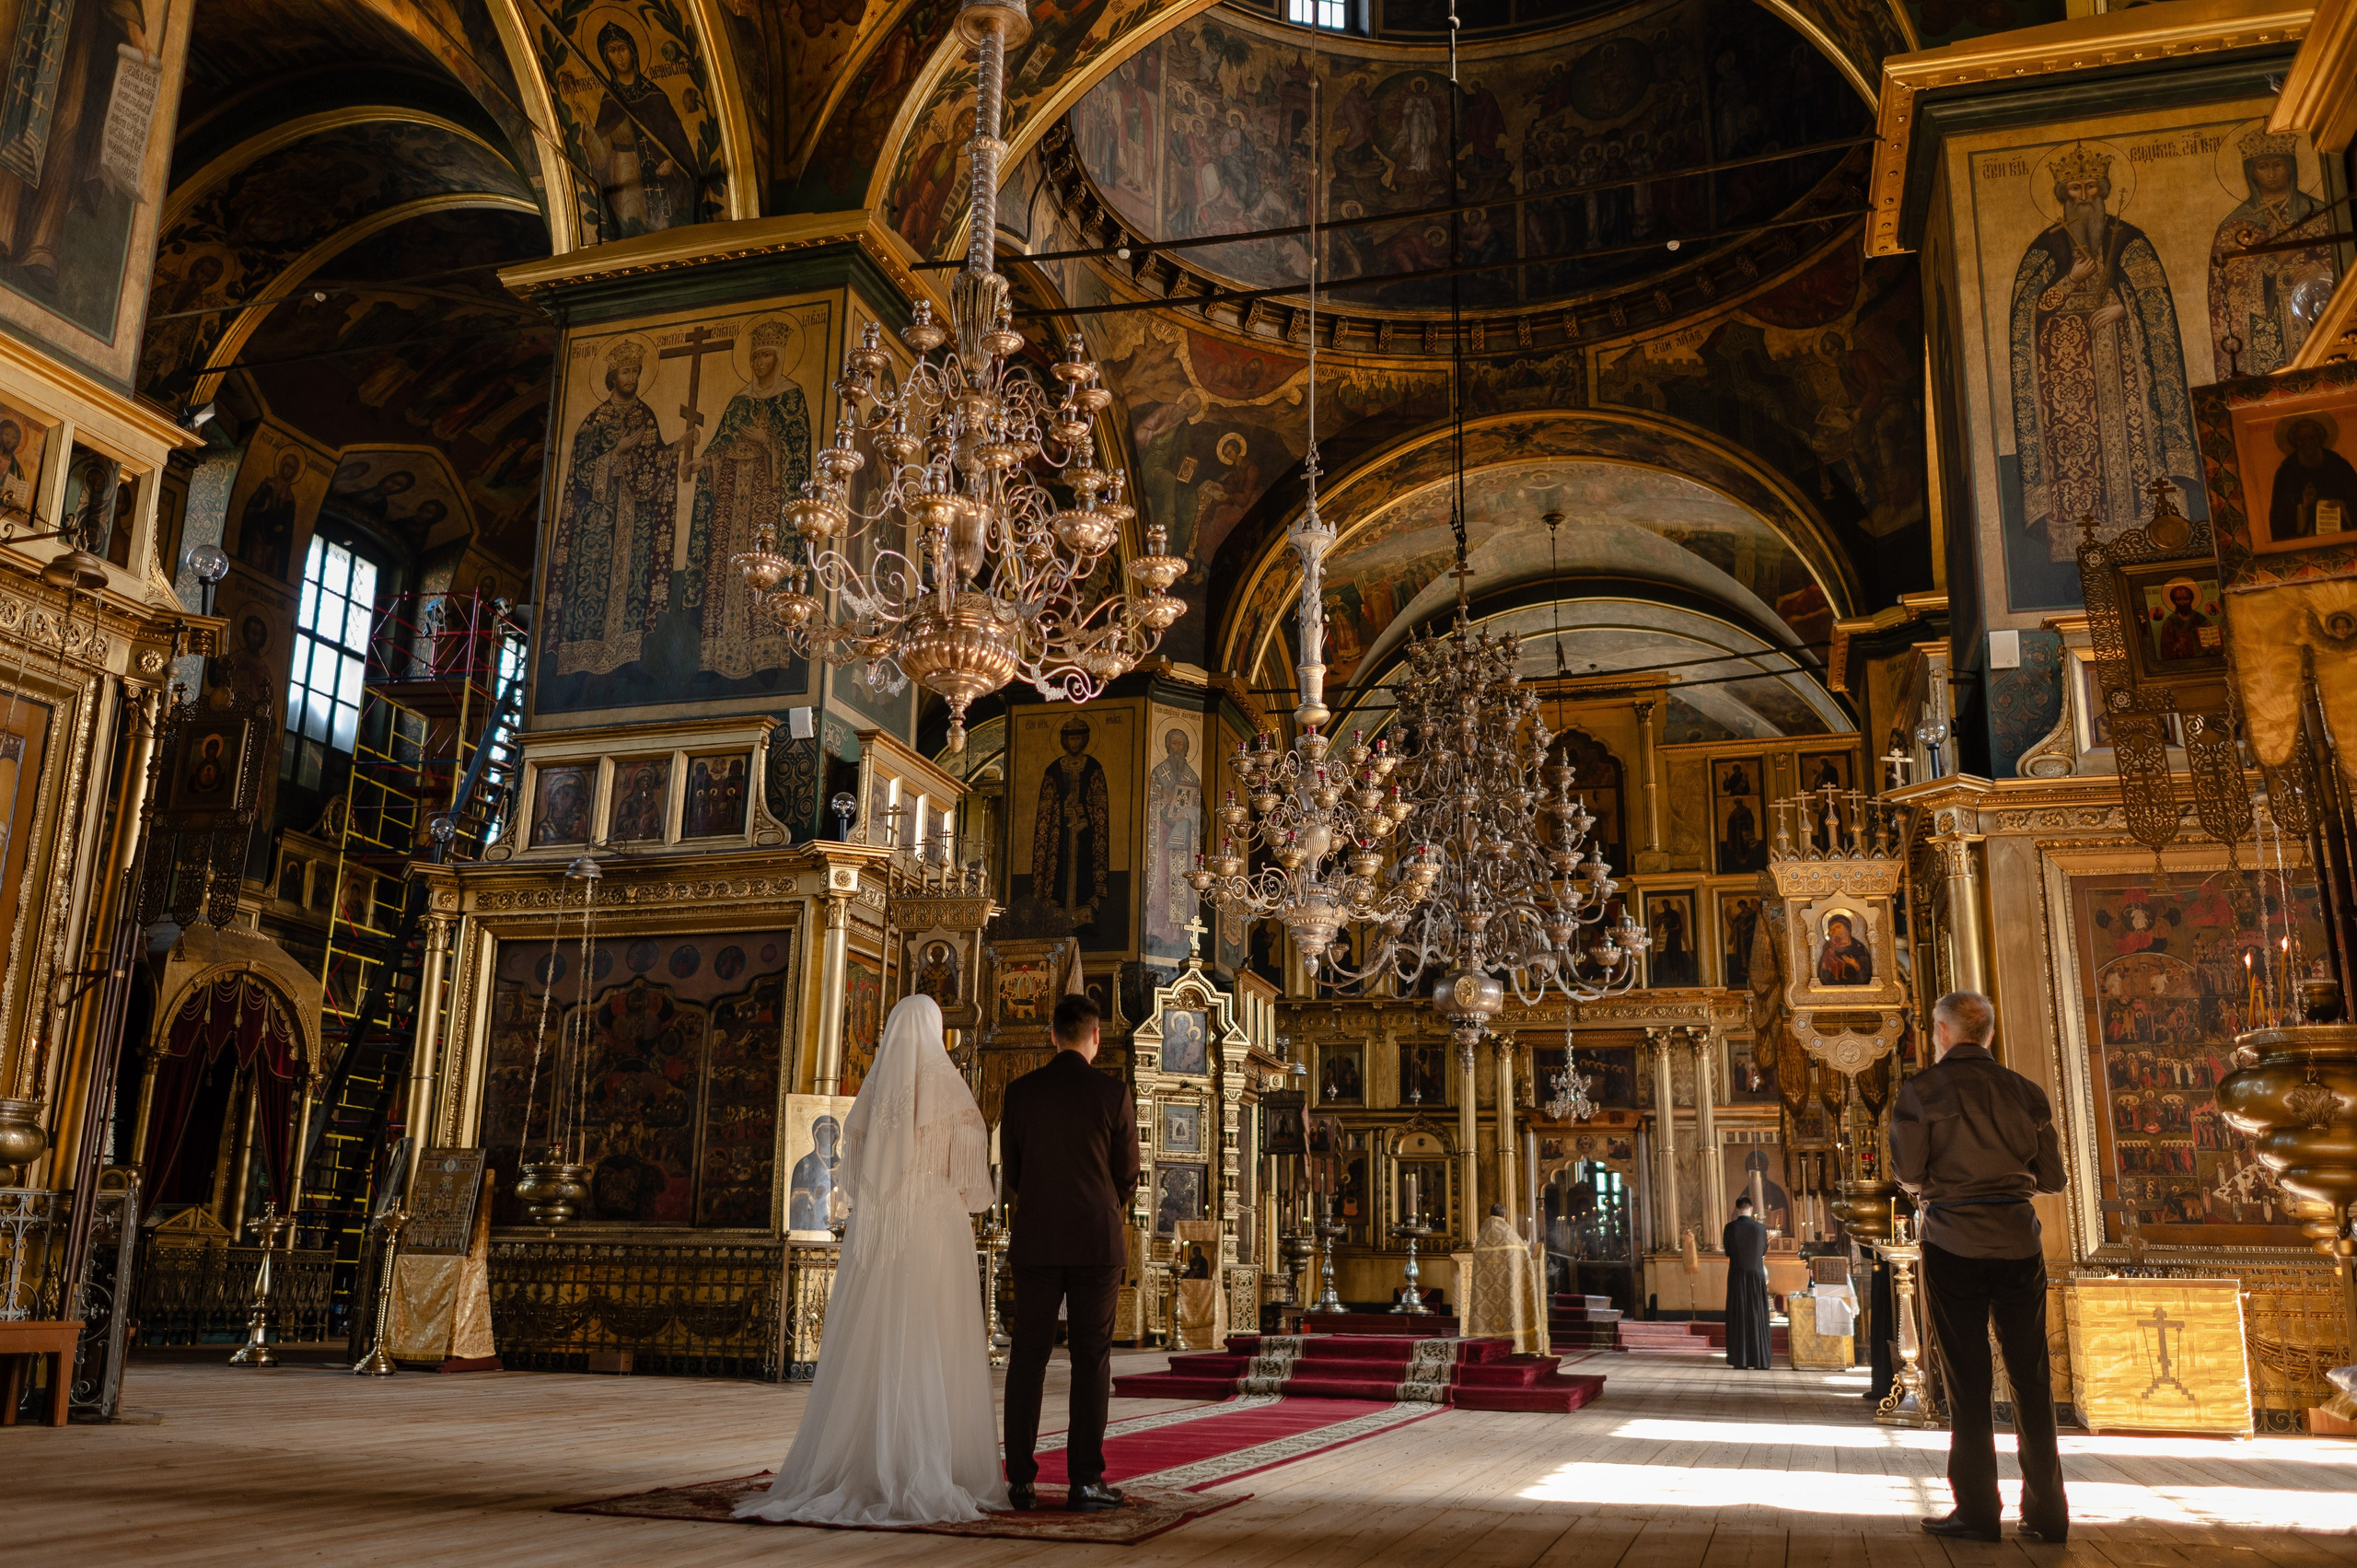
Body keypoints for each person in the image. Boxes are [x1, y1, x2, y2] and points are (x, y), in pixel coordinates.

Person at [734, 995, 1004, 1525]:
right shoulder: (953, 1097)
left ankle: (863, 1455)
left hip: (878, 1230)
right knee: (934, 1334)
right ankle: (936, 1462)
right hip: (935, 1228)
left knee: (876, 1335)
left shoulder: (869, 1103)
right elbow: (977, 1193)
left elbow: (854, 1179)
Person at [1892, 990, 2069, 1545]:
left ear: (1942, 1034)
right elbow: (2053, 1178)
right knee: (2031, 1377)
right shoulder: (2026, 1092)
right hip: (2020, 1243)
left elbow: (1908, 1172)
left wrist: (1949, 1186)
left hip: (1952, 1243)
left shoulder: (1921, 1093)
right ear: (1988, 1033)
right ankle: (2047, 1512)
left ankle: (1977, 1510)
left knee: (1966, 1381)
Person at [1000, 993, 1139, 1514]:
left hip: (1035, 1240)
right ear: (1096, 1038)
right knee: (1090, 1359)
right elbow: (1128, 1172)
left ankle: (1020, 1482)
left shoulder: (1020, 1093)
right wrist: (1100, 1204)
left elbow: (1012, 1175)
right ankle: (1084, 1480)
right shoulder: (1112, 1092)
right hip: (1095, 1242)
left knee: (1028, 1357)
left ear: (1051, 1035)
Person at [1722, 1195, 1771, 1369]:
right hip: (1756, 1276)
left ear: (1736, 1209)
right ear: (1751, 1209)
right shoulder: (1760, 1228)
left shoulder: (1730, 1228)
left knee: (1739, 1315)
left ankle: (1740, 1359)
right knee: (1757, 1315)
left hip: (1737, 1276)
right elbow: (1763, 1251)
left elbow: (1727, 1251)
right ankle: (1759, 1360)